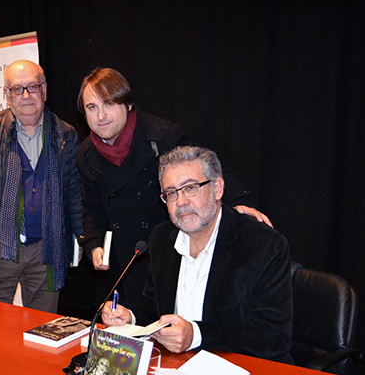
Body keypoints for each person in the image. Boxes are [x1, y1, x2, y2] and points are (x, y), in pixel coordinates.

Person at [76, 68, 272, 307]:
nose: (101, 116)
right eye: (91, 107)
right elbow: (92, 207)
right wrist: (94, 244)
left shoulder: (162, 136)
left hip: (167, 251)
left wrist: (239, 201)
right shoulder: (86, 153)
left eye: (109, 104)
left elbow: (207, 167)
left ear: (127, 105)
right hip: (124, 257)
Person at [102, 146, 293, 362]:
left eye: (191, 187)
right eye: (171, 193)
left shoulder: (262, 244)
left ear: (218, 189)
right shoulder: (163, 238)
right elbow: (153, 303)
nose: (180, 202)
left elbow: (274, 336)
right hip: (176, 368)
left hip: (240, 372)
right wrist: (130, 317)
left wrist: (197, 335)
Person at [0, 60, 83, 314]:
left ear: (44, 90)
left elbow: (74, 195)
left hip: (48, 251)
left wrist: (79, 240)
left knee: (44, 330)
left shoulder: (65, 135)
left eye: (32, 87)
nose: (26, 96)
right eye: (17, 89)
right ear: (7, 95)